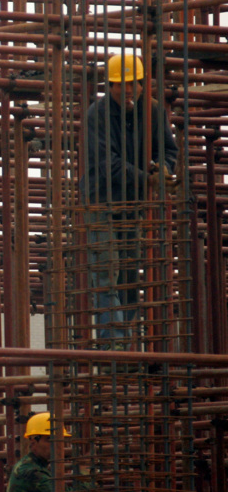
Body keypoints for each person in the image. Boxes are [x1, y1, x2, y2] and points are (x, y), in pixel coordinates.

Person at [78, 52, 179, 346]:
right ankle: (115, 348)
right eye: (120, 84)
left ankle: (125, 340)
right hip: (101, 201)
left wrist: (163, 169)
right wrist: (146, 178)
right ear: (110, 85)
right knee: (106, 275)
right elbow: (108, 164)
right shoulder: (97, 114)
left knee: (129, 275)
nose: (127, 89)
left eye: (133, 83)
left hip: (134, 204)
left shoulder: (154, 112)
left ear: (141, 83)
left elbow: (169, 151)